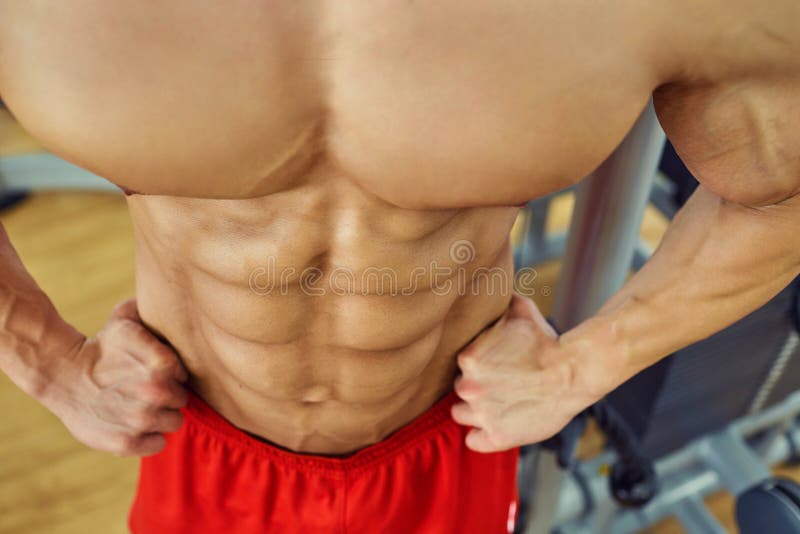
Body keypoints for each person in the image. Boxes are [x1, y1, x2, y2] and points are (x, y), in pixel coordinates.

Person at [0, 2, 798, 533]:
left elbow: (781, 195)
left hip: (449, 439)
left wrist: (589, 364)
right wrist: (44, 361)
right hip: (198, 436)